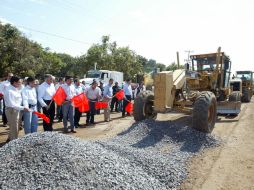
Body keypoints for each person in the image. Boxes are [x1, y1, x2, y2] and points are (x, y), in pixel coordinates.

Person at [4, 76, 29, 142]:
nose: (20, 84)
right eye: (19, 83)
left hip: (18, 109)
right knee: (14, 127)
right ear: (14, 82)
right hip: (12, 110)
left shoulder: (16, 88)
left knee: (16, 126)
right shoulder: (9, 91)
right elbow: (12, 104)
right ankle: (14, 142)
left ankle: (10, 138)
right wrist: (23, 108)